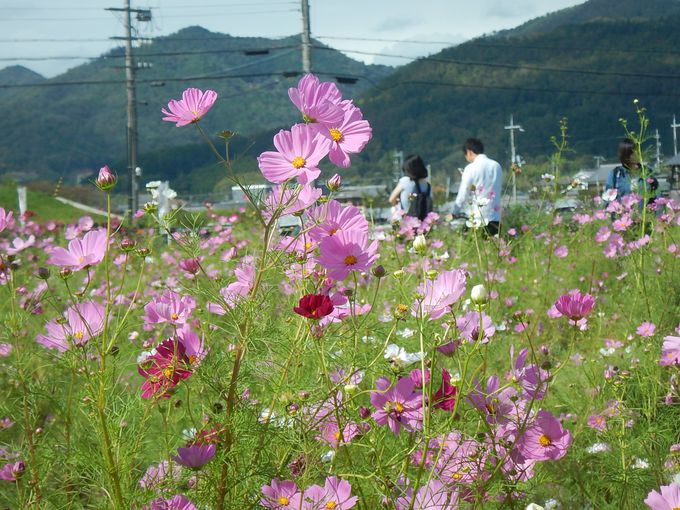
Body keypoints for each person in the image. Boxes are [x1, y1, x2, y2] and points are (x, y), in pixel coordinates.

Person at [451, 138, 502, 236]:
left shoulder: (470, 168)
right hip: (495, 217)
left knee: (472, 245)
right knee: (492, 248)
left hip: (478, 218)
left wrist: (454, 212)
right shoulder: (496, 166)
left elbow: (463, 195)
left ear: (469, 152)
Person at [605, 138, 658, 205]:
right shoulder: (616, 174)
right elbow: (607, 199)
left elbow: (657, 195)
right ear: (626, 155)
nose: (637, 153)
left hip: (645, 214)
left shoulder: (647, 172)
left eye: (638, 150)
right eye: (633, 152)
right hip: (623, 214)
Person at [388, 154, 432, 220]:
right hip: (423, 222)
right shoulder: (427, 185)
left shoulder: (405, 181)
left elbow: (391, 199)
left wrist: (397, 203)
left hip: (406, 222)